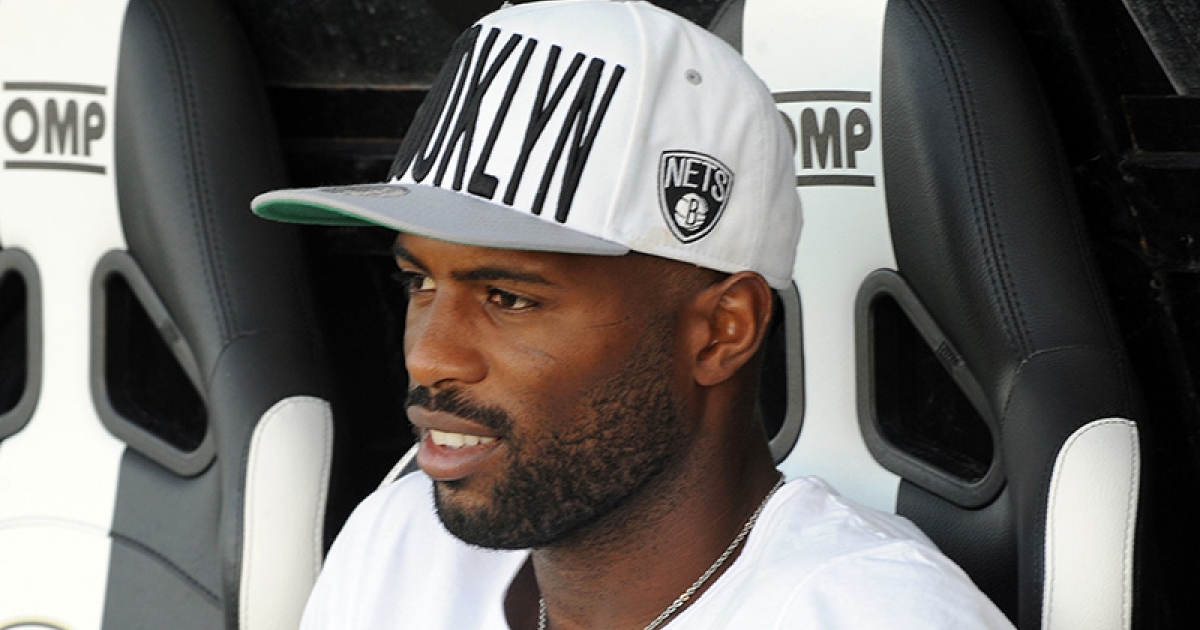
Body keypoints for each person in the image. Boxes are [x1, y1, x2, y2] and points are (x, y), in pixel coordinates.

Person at [253, 1, 1016, 627]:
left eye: (509, 297)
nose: (430, 356)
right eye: (419, 282)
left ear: (722, 331)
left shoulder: (866, 614)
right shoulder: (398, 542)